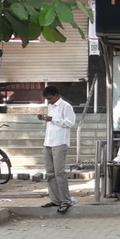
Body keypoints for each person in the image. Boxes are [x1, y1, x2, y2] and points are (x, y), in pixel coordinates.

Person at [38, 86, 77, 214]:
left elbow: (70, 123)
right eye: (47, 99)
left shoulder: (66, 106)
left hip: (60, 142)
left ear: (56, 95)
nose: (49, 101)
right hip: (48, 141)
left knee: (59, 173)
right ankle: (55, 199)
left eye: (50, 98)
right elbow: (51, 123)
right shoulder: (50, 107)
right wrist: (45, 118)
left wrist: (53, 119)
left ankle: (65, 200)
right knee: (50, 173)